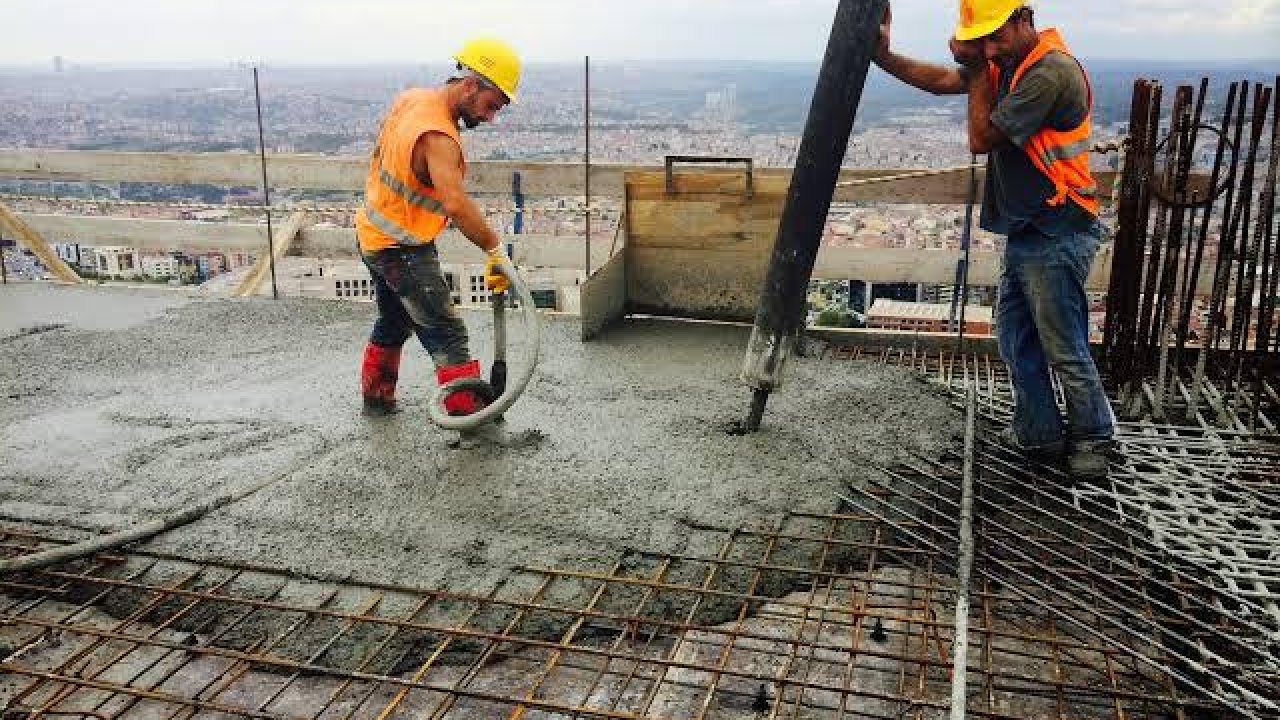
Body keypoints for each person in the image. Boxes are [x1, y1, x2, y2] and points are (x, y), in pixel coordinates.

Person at [873, 0, 1114, 478]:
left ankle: (1093, 438)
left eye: (995, 35)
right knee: (1016, 339)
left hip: (1059, 225)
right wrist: (883, 57)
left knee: (1062, 343)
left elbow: (981, 139)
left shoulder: (1049, 73)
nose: (989, 46)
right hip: (1030, 227)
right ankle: (1039, 432)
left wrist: (976, 65)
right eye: (981, 38)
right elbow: (942, 81)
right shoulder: (1009, 62)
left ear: (1024, 19)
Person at [357, 37, 519, 419]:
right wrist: (495, 250)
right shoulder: (439, 136)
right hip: (402, 248)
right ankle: (469, 418)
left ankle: (376, 398)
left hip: (372, 232)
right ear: (470, 85)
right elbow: (455, 203)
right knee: (446, 333)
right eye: (491, 104)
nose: (491, 116)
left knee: (395, 318)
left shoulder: (413, 99)